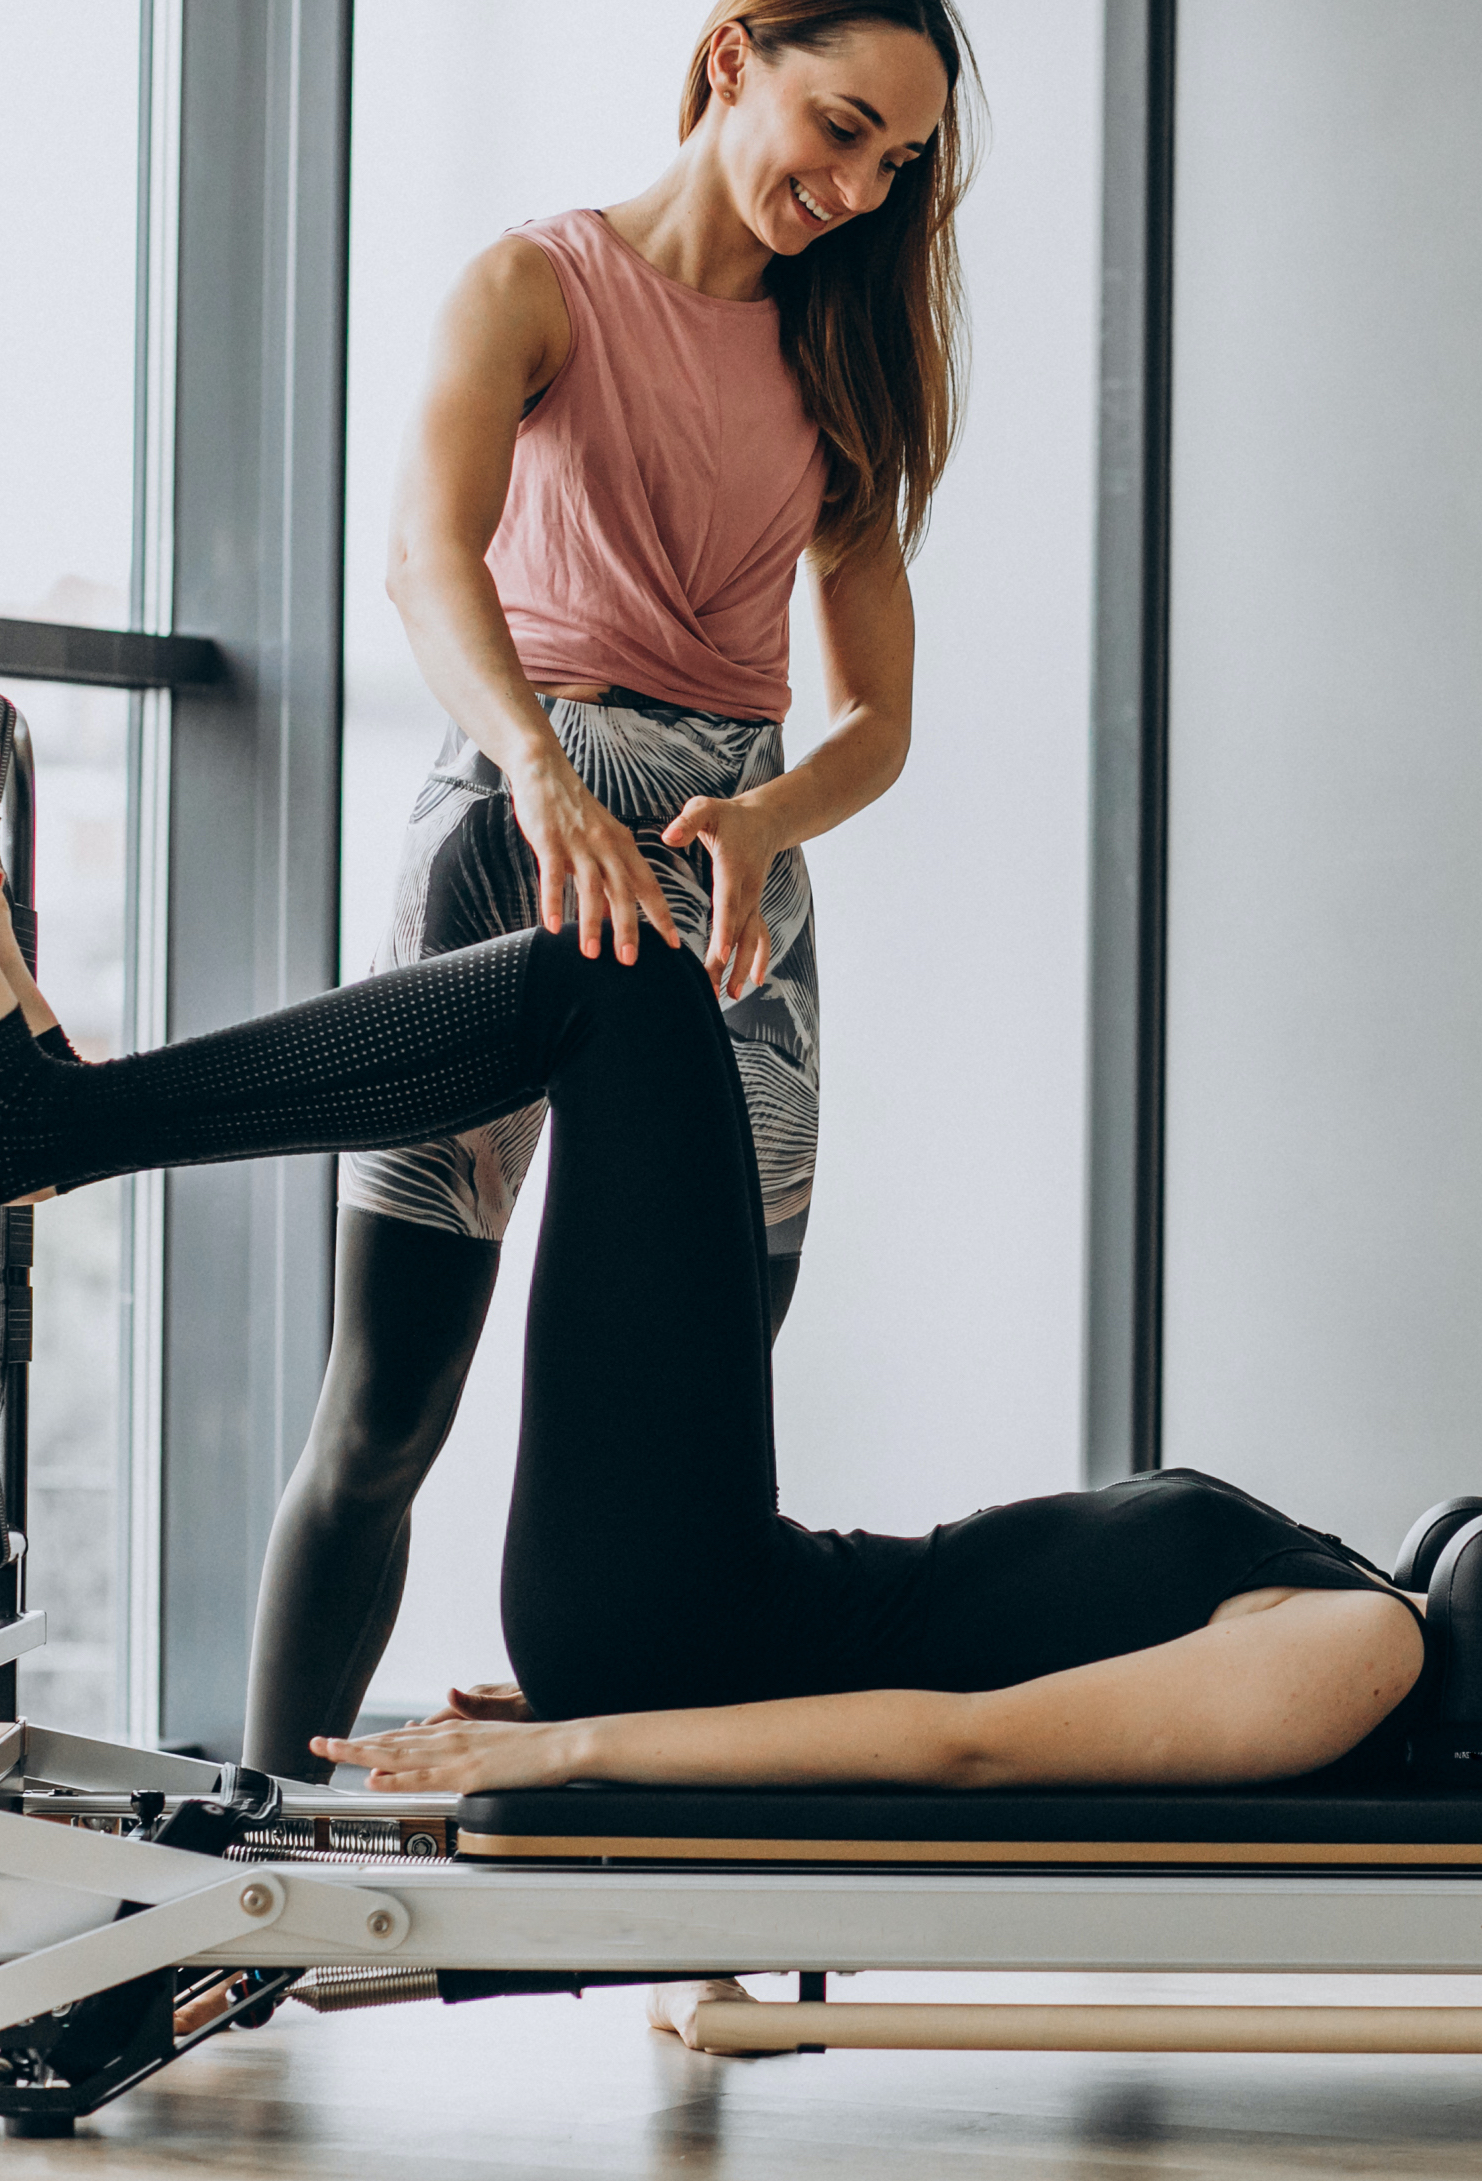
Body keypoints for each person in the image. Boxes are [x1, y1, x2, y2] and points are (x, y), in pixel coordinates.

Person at [0, 855, 1482, 1814]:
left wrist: (596, 1742)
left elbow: (962, 1746)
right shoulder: (1352, 1613)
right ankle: (43, 1119)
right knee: (617, 979)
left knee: (615, 981)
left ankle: (39, 1122)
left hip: (688, 1617)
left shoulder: (1354, 1654)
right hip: (704, 1608)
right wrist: (635, 1694)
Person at [242, 0, 981, 1784]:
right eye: (840, 124)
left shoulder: (841, 357)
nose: (862, 185)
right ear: (732, 56)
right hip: (512, 838)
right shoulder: (533, 287)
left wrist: (761, 819)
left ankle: (660, 1862)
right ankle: (257, 1855)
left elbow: (876, 721)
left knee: (691, 1477)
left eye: (897, 163)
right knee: (387, 1406)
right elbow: (427, 562)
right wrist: (537, 770)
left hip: (730, 897)